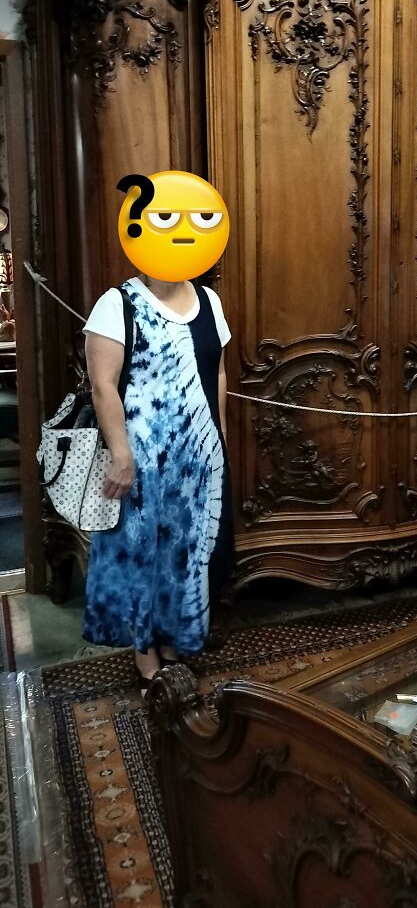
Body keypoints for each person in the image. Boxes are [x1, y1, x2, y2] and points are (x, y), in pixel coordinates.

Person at [82, 270, 232, 691]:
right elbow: (102, 386)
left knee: (186, 553)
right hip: (142, 460)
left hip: (196, 462)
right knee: (142, 554)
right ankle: (145, 657)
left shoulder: (209, 301)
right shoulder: (117, 303)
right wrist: (121, 455)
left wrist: (218, 437)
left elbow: (217, 374)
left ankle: (174, 644)